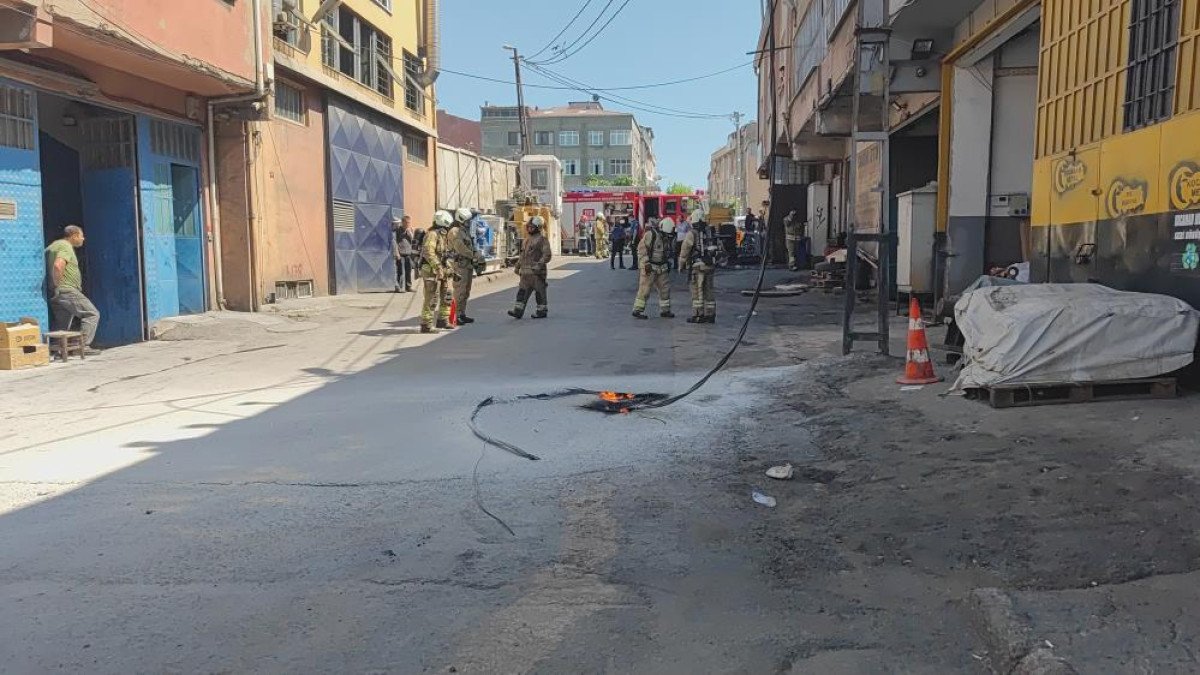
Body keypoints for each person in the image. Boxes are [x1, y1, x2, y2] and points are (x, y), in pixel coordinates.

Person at [45, 225, 100, 351]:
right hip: (66, 290)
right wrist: (58, 285)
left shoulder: (52, 246)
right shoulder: (65, 246)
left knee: (62, 324)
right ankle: (83, 346)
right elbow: (58, 266)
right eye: (81, 236)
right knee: (91, 314)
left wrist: (54, 288)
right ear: (74, 235)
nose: (83, 239)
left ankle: (59, 349)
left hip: (56, 292)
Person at [508, 215, 552, 319]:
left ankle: (541, 311)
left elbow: (547, 255)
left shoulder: (542, 240)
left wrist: (539, 265)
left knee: (540, 293)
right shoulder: (526, 240)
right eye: (529, 227)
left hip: (537, 274)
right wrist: (517, 266)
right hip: (525, 274)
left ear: (538, 228)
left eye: (532, 227)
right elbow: (523, 255)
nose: (529, 229)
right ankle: (518, 311)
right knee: (522, 293)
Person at [419, 210, 455, 333]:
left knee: (447, 294)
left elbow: (445, 254)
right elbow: (428, 252)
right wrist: (438, 267)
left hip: (442, 270)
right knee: (432, 297)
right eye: (446, 226)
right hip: (431, 271)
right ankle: (426, 325)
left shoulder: (443, 236)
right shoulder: (432, 234)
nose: (447, 228)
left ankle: (443, 320)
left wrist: (449, 268)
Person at [449, 207, 486, 326]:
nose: (469, 222)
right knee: (459, 291)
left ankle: (461, 314)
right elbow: (460, 248)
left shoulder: (464, 231)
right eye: (467, 220)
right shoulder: (455, 231)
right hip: (459, 265)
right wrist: (473, 255)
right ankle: (454, 316)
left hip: (467, 265)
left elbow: (470, 246)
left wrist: (477, 255)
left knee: (465, 291)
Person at [632, 218, 674, 320]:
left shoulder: (665, 236)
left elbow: (664, 252)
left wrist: (666, 262)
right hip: (650, 267)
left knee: (665, 289)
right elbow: (641, 249)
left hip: (661, 267)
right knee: (645, 289)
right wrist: (646, 263)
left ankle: (665, 310)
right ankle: (637, 310)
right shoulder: (651, 234)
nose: (666, 236)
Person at [679, 210, 716, 324]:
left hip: (697, 267)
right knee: (709, 291)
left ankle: (698, 315)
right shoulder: (710, 231)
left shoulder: (692, 233)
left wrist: (681, 265)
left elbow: (685, 250)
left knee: (697, 291)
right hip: (710, 266)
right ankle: (710, 315)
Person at [393, 215, 416, 293]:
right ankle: (399, 287)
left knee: (408, 271)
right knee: (400, 271)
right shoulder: (397, 230)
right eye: (406, 223)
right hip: (401, 254)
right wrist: (397, 253)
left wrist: (410, 233)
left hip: (408, 254)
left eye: (409, 223)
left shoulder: (410, 230)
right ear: (402, 222)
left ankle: (408, 286)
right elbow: (395, 242)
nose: (408, 224)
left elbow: (413, 241)